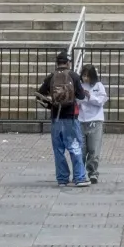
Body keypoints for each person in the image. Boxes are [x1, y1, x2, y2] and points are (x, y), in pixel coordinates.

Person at [36, 51, 88, 186]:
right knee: (75, 146)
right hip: (71, 117)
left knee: (58, 149)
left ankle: (62, 179)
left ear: (56, 63)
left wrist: (51, 105)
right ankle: (79, 177)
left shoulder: (51, 77)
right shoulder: (74, 76)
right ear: (68, 63)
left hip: (56, 117)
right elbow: (81, 97)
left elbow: (39, 95)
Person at [78, 65, 108, 182]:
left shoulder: (98, 86)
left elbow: (101, 101)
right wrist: (82, 97)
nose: (85, 78)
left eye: (88, 76)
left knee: (94, 149)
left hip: (95, 119)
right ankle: (80, 172)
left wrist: (90, 96)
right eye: (84, 75)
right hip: (81, 119)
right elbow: (76, 101)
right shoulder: (79, 86)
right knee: (81, 149)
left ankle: (93, 172)